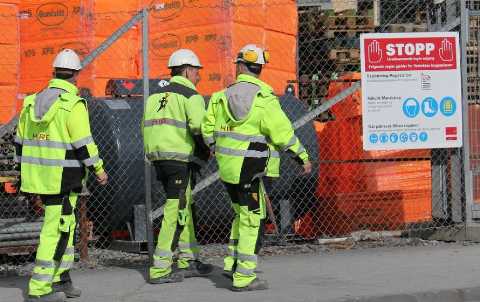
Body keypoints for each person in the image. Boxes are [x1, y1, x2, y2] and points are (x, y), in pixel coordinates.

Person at [201, 44, 312, 291]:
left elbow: (207, 130)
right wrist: (302, 156)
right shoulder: (264, 99)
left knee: (241, 215)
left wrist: (214, 146)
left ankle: (232, 264)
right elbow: (283, 134)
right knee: (252, 219)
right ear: (260, 69)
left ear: (239, 66)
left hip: (228, 171)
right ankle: (244, 276)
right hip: (252, 170)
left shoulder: (220, 97)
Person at [15, 49, 108, 302]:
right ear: (76, 75)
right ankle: (39, 288)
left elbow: (19, 144)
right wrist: (98, 169)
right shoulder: (72, 105)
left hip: (38, 178)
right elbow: (84, 144)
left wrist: (24, 173)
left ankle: (61, 278)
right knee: (55, 230)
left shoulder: (31, 102)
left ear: (54, 73)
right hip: (64, 178)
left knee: (65, 226)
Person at [143, 49, 213, 284]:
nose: (198, 77)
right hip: (179, 159)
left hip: (159, 158)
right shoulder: (190, 96)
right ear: (187, 70)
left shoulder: (155, 96)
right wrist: (208, 150)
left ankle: (188, 259)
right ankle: (161, 268)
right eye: (197, 72)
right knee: (175, 210)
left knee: (185, 205)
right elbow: (199, 128)